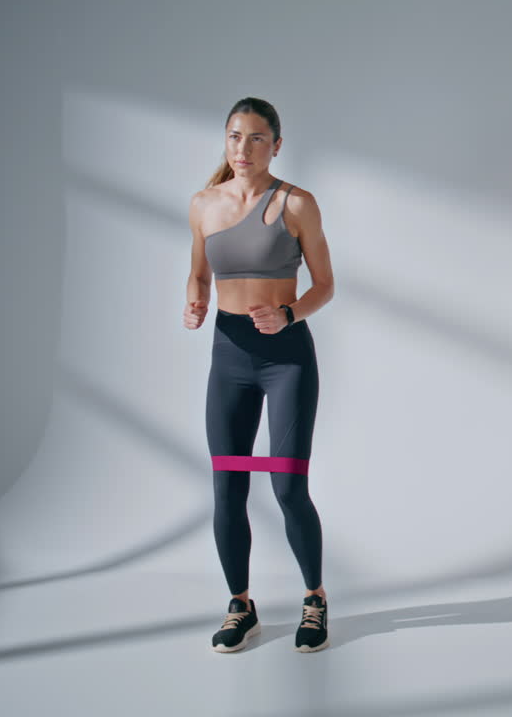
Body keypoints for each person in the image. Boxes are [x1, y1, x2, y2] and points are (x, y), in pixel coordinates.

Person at [183, 97, 335, 653]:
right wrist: (194, 304)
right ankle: (240, 605)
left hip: (286, 358)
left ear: (276, 143)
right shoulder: (203, 204)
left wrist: (289, 314)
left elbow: (325, 284)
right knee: (228, 488)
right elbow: (198, 276)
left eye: (254, 137)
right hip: (229, 357)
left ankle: (314, 598)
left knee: (288, 487)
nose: (242, 148)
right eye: (233, 137)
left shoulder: (297, 204)